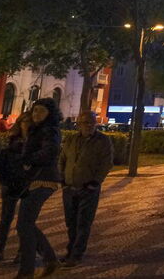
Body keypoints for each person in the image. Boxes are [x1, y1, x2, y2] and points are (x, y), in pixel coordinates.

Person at [59, 111, 113, 268]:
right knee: (71, 222)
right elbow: (62, 159)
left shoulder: (102, 141)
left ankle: (76, 254)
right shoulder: (71, 139)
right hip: (69, 187)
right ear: (79, 124)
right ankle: (70, 250)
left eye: (91, 122)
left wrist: (95, 182)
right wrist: (62, 179)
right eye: (85, 122)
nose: (89, 125)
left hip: (88, 188)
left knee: (83, 222)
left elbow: (106, 163)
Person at [17, 98, 62, 278]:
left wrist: (27, 160)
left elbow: (49, 152)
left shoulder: (50, 130)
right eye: (35, 110)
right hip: (35, 178)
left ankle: (27, 271)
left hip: (43, 179)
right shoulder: (38, 129)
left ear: (50, 114)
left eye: (41, 111)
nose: (36, 114)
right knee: (25, 224)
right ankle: (50, 260)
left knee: (24, 224)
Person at [0, 111, 32, 265]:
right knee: (5, 219)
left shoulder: (37, 142)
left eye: (29, 122)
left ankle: (22, 252)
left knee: (24, 222)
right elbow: (2, 159)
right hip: (10, 184)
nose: (27, 125)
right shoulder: (11, 139)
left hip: (27, 186)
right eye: (24, 122)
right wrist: (4, 181)